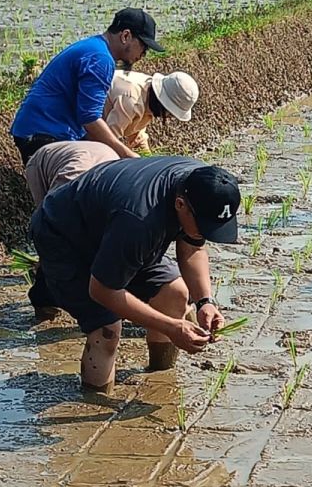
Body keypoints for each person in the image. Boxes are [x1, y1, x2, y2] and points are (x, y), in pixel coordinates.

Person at [31, 157, 240, 394]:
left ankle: (161, 379)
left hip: (116, 230)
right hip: (64, 235)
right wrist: (172, 328)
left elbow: (193, 245)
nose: (207, 233)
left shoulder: (202, 184)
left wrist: (205, 301)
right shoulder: (139, 220)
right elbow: (102, 290)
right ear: (180, 205)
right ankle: (95, 401)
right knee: (107, 329)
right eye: (204, 226)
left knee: (176, 293)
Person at [11, 8, 165, 166]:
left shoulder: (95, 47)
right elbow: (89, 118)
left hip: (40, 130)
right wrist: (127, 154)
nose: (143, 54)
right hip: (43, 134)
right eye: (144, 46)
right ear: (126, 36)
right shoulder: (100, 59)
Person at [104, 69, 200, 153]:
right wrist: (130, 157)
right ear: (162, 103)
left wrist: (148, 161)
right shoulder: (132, 100)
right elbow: (108, 140)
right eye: (170, 113)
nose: (169, 117)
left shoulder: (149, 98)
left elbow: (137, 137)